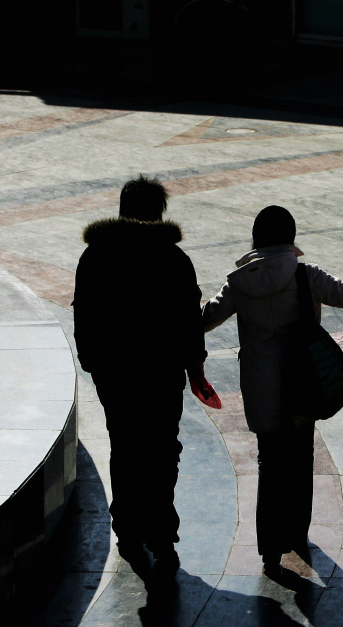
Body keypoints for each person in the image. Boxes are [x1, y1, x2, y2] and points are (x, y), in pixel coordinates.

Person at [201, 205, 343, 577]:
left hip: (260, 386)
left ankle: (270, 548)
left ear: (255, 238)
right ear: (291, 238)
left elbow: (205, 319)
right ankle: (296, 535)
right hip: (303, 381)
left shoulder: (239, 283)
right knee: (300, 459)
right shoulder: (306, 276)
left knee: (269, 463)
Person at [73, 174, 208, 579]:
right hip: (162, 372)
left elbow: (84, 312)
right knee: (163, 449)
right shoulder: (173, 259)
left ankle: (128, 530)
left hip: (115, 373)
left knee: (126, 446)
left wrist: (93, 362)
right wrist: (195, 366)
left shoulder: (95, 256)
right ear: (158, 213)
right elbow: (189, 318)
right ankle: (161, 533)